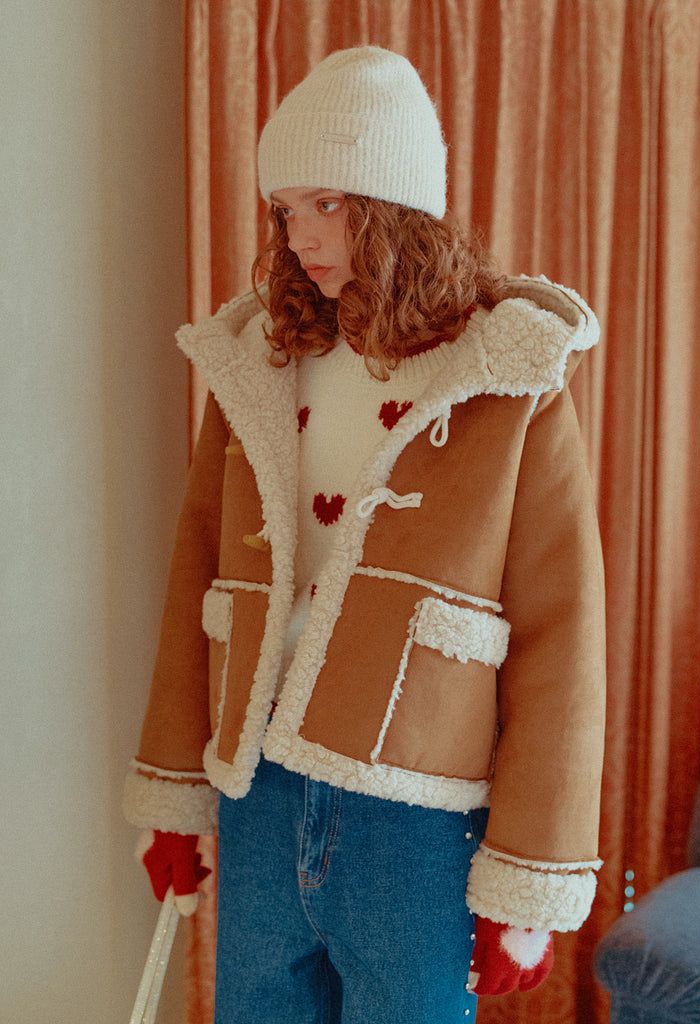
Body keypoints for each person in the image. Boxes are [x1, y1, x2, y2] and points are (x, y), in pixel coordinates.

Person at [124, 45, 606, 1024]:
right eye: (285, 209)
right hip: (258, 788)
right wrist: (175, 794)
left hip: (418, 819)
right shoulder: (261, 362)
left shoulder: (506, 375)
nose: (300, 235)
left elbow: (562, 641)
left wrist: (528, 876)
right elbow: (197, 576)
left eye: (327, 203)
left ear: (396, 206)